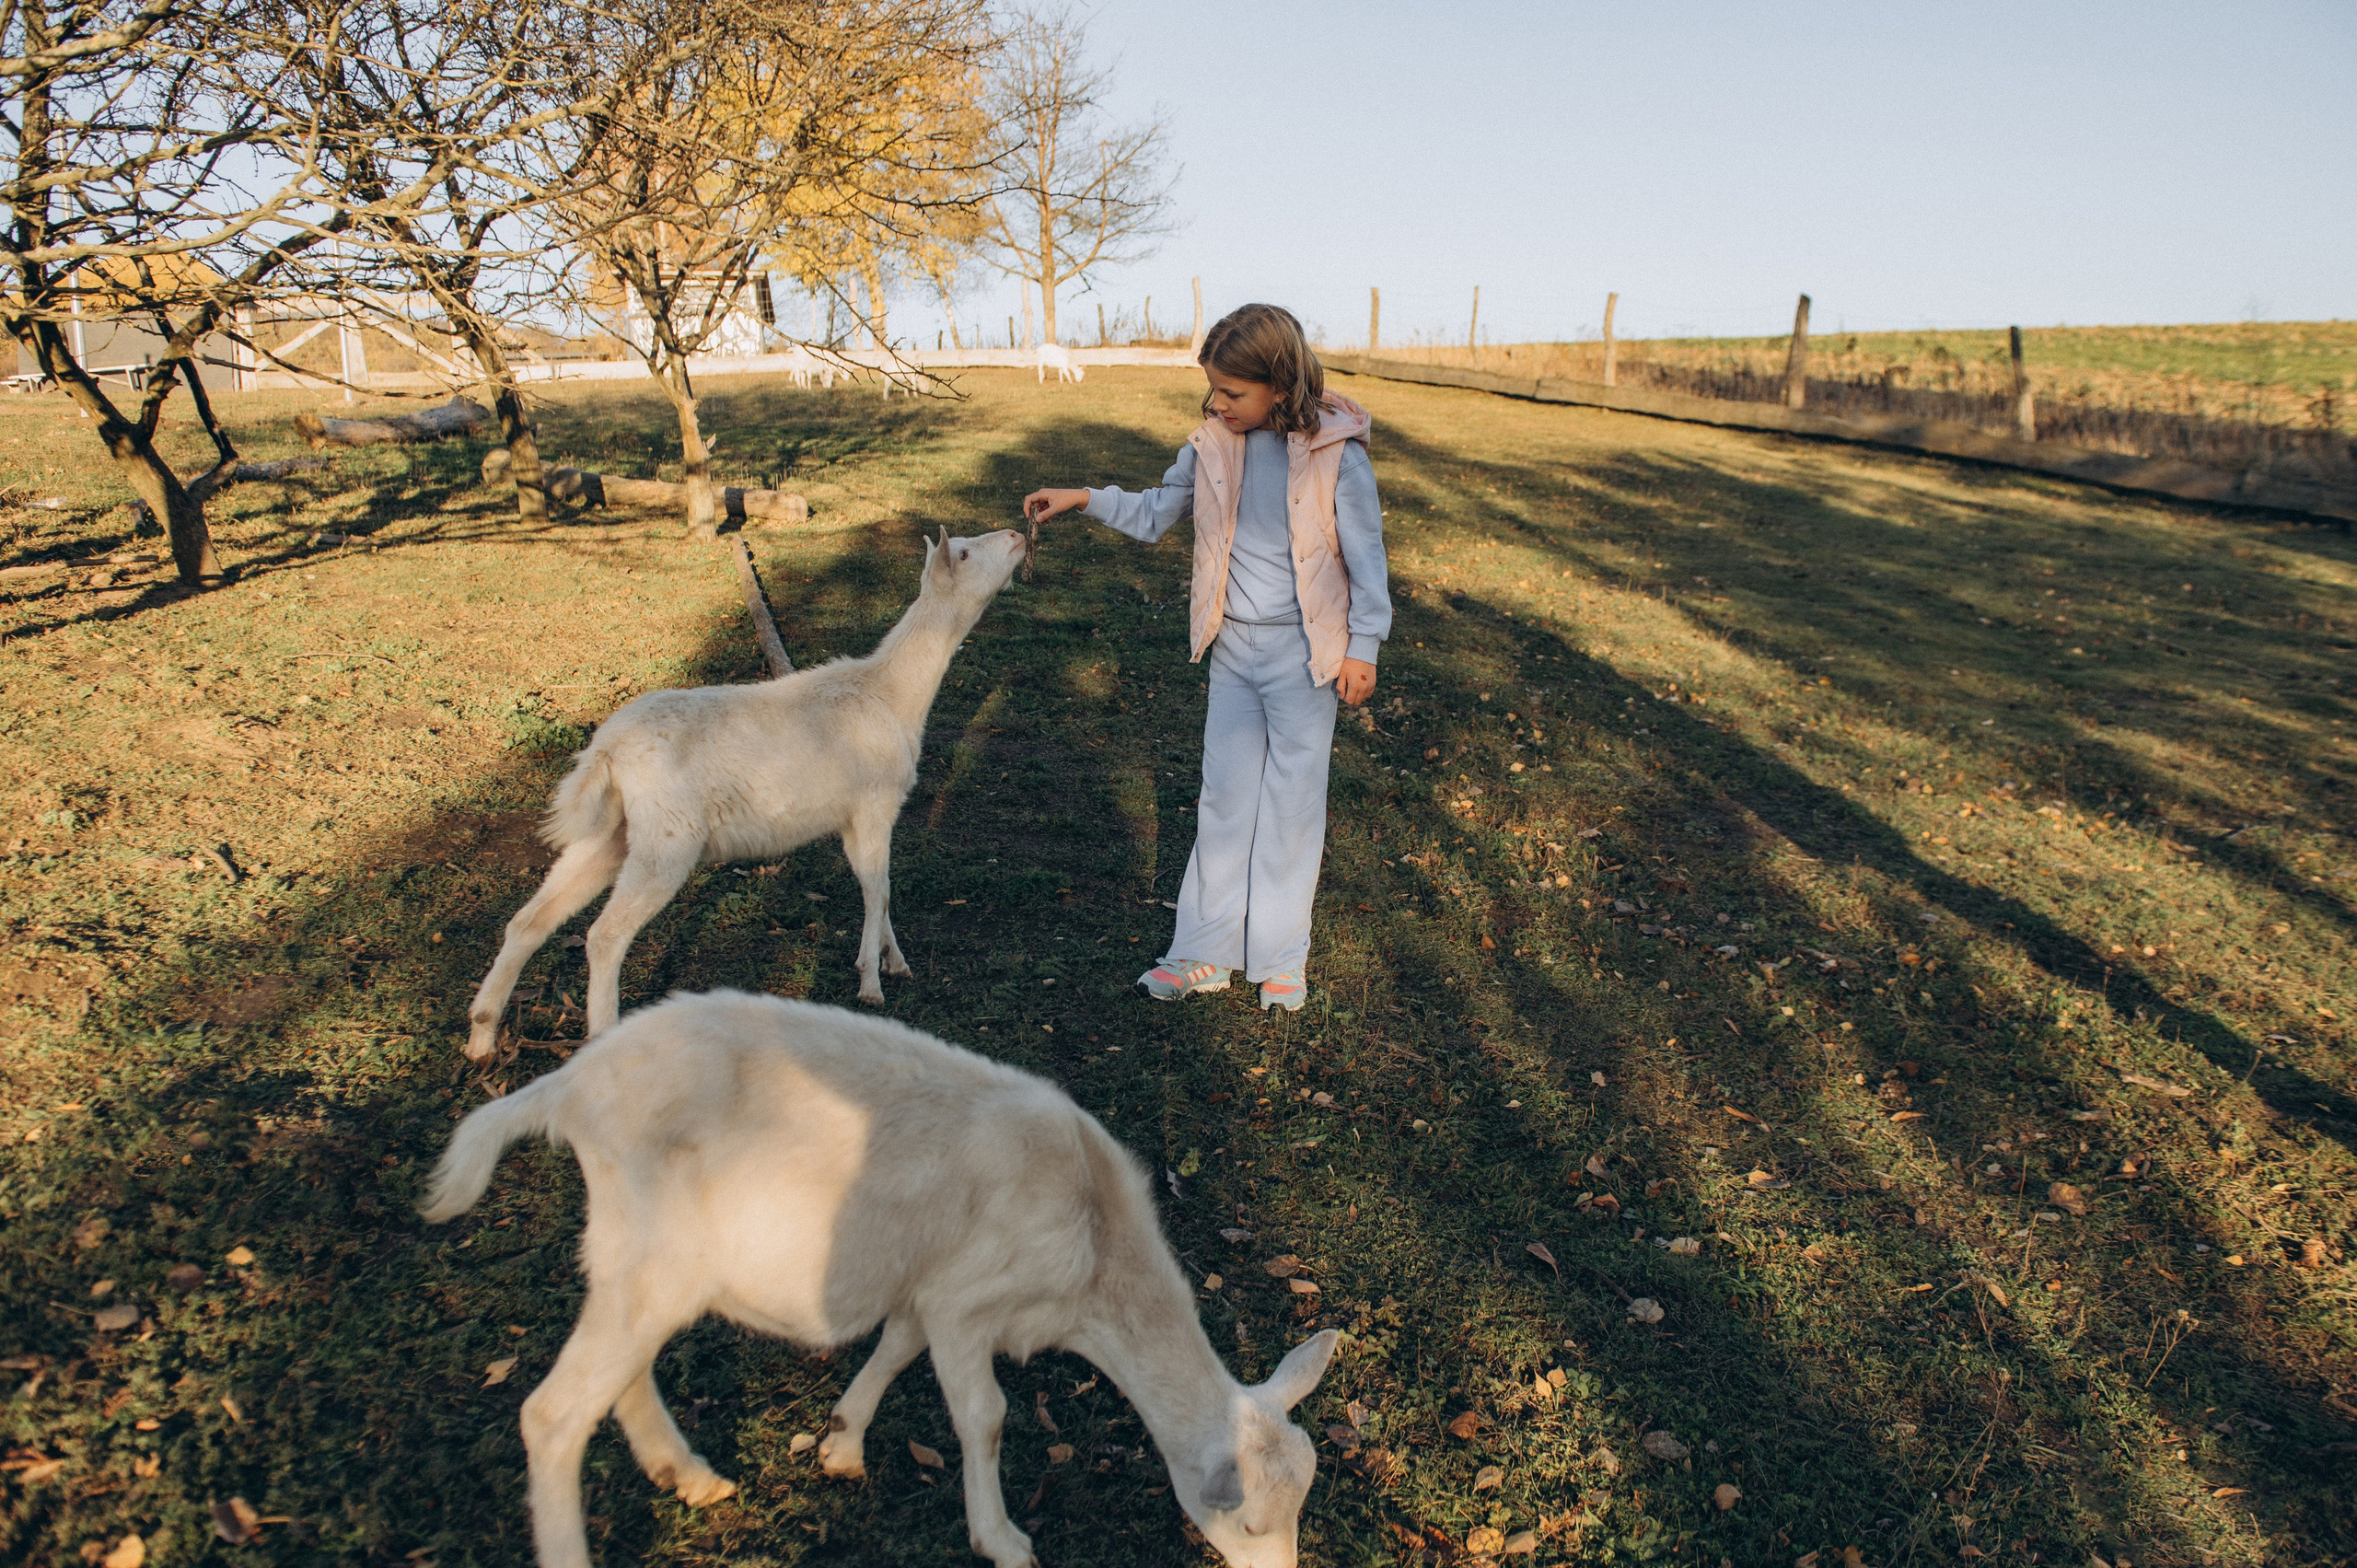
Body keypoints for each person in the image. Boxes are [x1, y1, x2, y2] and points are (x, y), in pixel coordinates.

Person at [1023, 303, 1391, 1013]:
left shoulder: (1337, 456)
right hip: (1234, 652)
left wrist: (1363, 647)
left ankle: (1281, 959)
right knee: (1224, 798)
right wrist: (1084, 498)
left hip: (1305, 657)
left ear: (1279, 386)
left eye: (1232, 392)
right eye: (1213, 390)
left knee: (1290, 805)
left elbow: (1366, 559)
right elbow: (1158, 510)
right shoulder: (1212, 445)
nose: (1216, 404)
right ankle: (1203, 951)